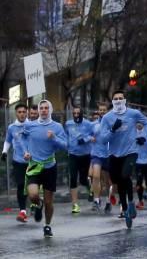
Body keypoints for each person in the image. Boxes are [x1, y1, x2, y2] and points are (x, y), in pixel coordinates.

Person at [101, 91, 147, 228]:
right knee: (118, 181)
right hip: (115, 154)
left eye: (120, 98)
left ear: (125, 100)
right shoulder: (107, 117)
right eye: (115, 99)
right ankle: (126, 209)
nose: (118, 100)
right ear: (112, 101)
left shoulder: (133, 114)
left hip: (131, 151)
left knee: (125, 175)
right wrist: (112, 130)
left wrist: (143, 136)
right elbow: (103, 139)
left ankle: (130, 202)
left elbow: (146, 122)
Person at [22, 100, 68, 237]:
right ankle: (38, 203)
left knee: (49, 202)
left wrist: (54, 138)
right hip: (34, 165)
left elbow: (66, 146)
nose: (43, 110)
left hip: (49, 166)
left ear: (50, 110)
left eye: (46, 108)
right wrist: (25, 151)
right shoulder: (30, 125)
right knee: (33, 195)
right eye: (41, 108)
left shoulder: (57, 127)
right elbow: (22, 139)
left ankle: (47, 225)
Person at [2, 104, 30, 223]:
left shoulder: (32, 126)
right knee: (20, 185)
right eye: (19, 112)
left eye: (24, 111)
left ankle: (36, 204)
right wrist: (4, 152)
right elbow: (8, 141)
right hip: (18, 161)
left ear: (27, 113)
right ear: (16, 113)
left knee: (32, 186)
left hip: (32, 161)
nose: (22, 114)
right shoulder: (11, 127)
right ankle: (22, 211)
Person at [65, 106, 94, 214]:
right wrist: (66, 146)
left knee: (83, 179)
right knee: (73, 178)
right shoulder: (68, 124)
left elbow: (93, 135)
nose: (76, 115)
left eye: (78, 113)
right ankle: (75, 204)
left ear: (82, 114)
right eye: (74, 114)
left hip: (85, 155)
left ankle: (90, 189)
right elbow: (66, 135)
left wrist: (85, 139)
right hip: (73, 154)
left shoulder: (88, 124)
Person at [89, 106, 113, 214]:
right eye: (100, 110)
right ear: (98, 111)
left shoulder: (111, 124)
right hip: (96, 154)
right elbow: (86, 134)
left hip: (108, 155)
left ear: (107, 111)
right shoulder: (93, 124)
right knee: (96, 176)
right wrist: (90, 138)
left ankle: (108, 201)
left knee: (107, 182)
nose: (102, 112)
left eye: (104, 110)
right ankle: (96, 200)